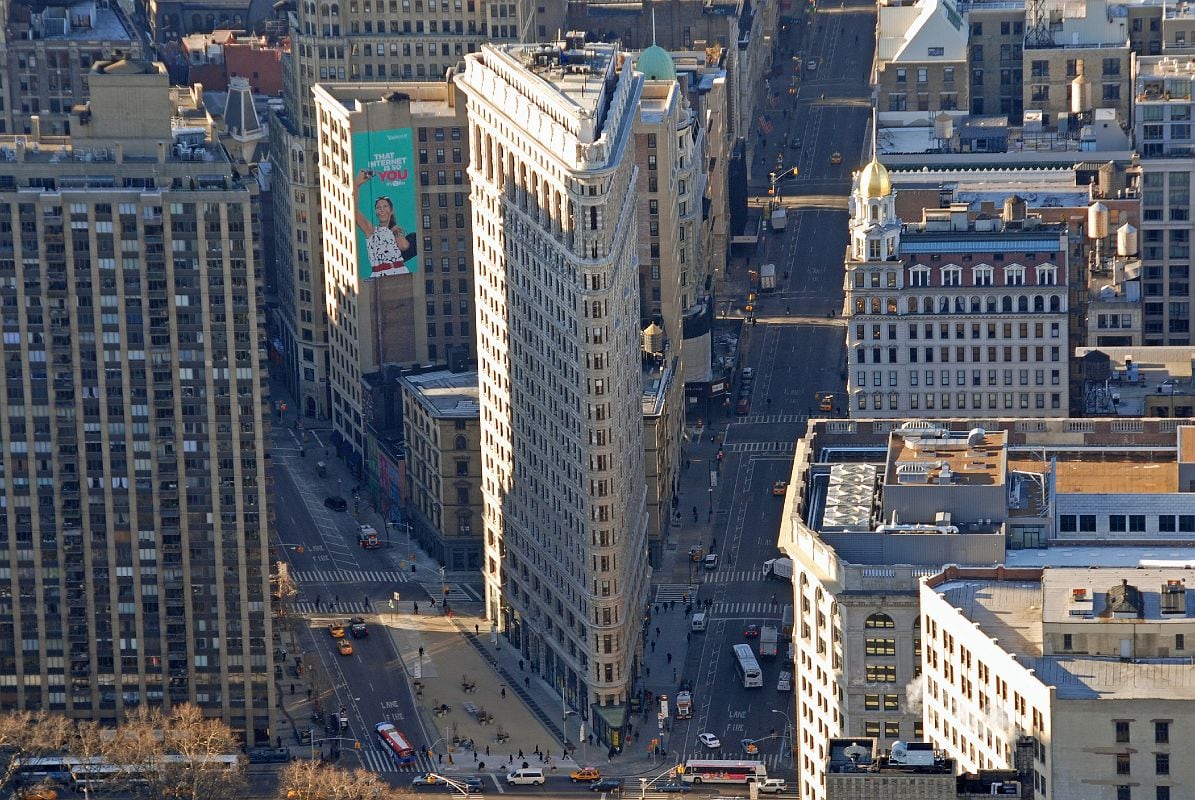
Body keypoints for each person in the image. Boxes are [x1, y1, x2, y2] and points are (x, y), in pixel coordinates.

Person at [354, 169, 416, 276]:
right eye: (378, 207)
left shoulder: (396, 231)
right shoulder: (372, 230)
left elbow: (404, 246)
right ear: (376, 212)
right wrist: (356, 185)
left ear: (391, 210)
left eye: (385, 206)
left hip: (401, 271)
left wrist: (395, 230)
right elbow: (353, 211)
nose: (382, 210)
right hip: (380, 274)